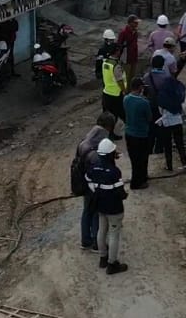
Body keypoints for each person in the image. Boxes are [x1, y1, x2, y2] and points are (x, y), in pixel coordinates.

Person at [71, 112, 117, 250]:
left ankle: (86, 240)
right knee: (97, 213)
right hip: (93, 185)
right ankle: (97, 243)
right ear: (108, 127)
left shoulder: (85, 141)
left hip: (83, 182)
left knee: (87, 211)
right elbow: (101, 168)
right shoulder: (96, 150)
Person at [86, 138, 129, 275]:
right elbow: (121, 193)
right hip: (114, 208)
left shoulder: (94, 167)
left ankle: (103, 258)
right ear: (111, 154)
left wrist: (97, 191)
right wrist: (124, 194)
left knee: (101, 231)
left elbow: (88, 180)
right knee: (114, 234)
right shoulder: (114, 172)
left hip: (100, 206)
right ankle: (112, 264)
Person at [147, 57, 186, 171]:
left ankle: (169, 165)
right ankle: (184, 163)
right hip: (177, 119)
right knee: (179, 142)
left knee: (166, 144)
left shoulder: (148, 78)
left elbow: (160, 107)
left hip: (165, 120)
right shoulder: (170, 82)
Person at [122, 78, 153, 189]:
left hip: (129, 133)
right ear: (140, 88)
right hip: (141, 134)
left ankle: (141, 177)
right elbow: (149, 118)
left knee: (134, 159)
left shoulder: (126, 99)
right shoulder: (144, 102)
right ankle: (137, 182)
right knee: (142, 158)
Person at [100, 45, 127, 139]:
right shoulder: (116, 65)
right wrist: (124, 91)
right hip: (116, 95)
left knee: (108, 117)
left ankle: (108, 134)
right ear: (116, 52)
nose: (120, 52)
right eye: (119, 51)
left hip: (106, 93)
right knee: (120, 115)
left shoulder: (105, 62)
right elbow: (120, 80)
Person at [116, 16, 141, 81]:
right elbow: (119, 46)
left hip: (134, 58)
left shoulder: (135, 32)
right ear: (130, 23)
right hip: (126, 59)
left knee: (132, 77)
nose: (137, 24)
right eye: (135, 23)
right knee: (126, 77)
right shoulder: (123, 33)